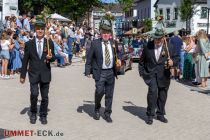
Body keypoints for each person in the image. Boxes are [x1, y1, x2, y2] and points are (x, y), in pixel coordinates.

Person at [20, 15, 55, 125]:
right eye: (38, 28)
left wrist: (51, 58)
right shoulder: (29, 44)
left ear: (44, 30)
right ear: (35, 29)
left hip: (45, 73)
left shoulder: (49, 43)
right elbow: (25, 60)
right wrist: (22, 75)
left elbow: (53, 57)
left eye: (42, 29)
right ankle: (34, 112)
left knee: (44, 97)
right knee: (34, 94)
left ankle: (43, 115)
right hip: (33, 74)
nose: (40, 30)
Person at [139, 29, 179, 125]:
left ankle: (160, 114)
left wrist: (172, 62)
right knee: (152, 93)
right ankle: (150, 115)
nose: (157, 41)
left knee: (162, 94)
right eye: (155, 38)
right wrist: (142, 72)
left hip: (164, 75)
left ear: (163, 38)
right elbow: (142, 61)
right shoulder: (148, 46)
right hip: (151, 74)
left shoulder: (169, 47)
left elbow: (176, 58)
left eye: (159, 39)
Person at [85, 13, 118, 123]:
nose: (105, 34)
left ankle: (107, 113)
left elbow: (119, 55)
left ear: (110, 34)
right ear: (100, 32)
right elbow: (89, 58)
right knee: (99, 92)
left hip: (111, 73)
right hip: (100, 72)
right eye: (103, 32)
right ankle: (97, 108)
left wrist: (119, 61)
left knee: (109, 94)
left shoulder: (113, 43)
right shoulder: (95, 43)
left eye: (107, 32)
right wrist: (87, 71)